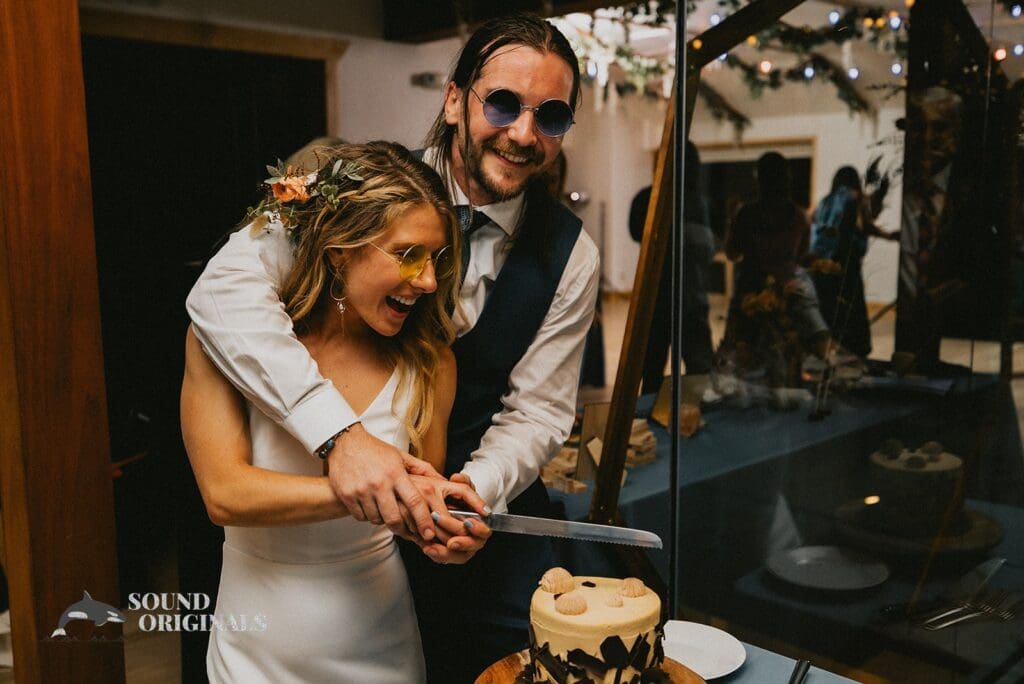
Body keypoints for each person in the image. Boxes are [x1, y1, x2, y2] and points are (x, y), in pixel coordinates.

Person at [185, 13, 599, 683]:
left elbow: (542, 413)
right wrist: (343, 443)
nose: (525, 133)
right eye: (503, 103)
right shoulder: (331, 186)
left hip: (455, 522)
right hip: (291, 562)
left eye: (551, 117)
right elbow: (219, 291)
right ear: (455, 99)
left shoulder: (574, 253)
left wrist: (471, 492)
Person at [181, 142, 492, 681]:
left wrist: (441, 530)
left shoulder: (431, 362)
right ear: (340, 250)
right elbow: (224, 494)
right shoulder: (226, 343)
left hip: (379, 638)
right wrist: (366, 489)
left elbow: (418, 498)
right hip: (255, 644)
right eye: (409, 255)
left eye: (437, 260)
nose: (427, 282)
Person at [722, 152, 830, 383]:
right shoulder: (799, 216)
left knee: (736, 360)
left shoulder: (746, 214)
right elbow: (801, 255)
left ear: (760, 179)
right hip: (790, 288)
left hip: (751, 291)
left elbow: (732, 253)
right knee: (804, 348)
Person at [629, 141, 715, 394]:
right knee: (697, 370)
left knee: (652, 372)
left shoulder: (649, 198)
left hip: (659, 294)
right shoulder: (695, 201)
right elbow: (705, 250)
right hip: (688, 294)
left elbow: (636, 232)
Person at [810, 165, 898, 357]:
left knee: (829, 318)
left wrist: (887, 236)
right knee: (851, 324)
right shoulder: (854, 197)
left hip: (820, 270)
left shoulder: (825, 202)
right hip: (845, 269)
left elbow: (860, 225)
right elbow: (865, 221)